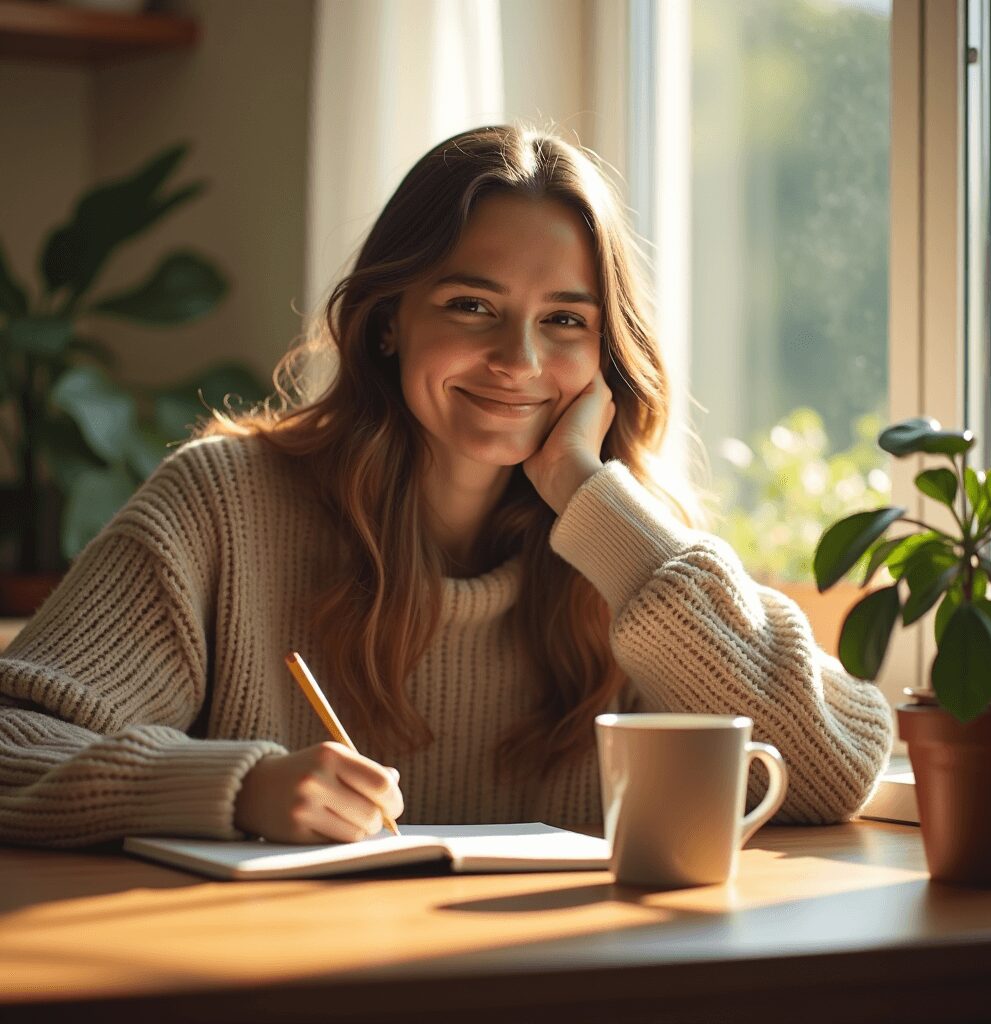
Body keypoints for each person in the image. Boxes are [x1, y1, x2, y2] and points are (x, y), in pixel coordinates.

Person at [0, 124, 892, 848]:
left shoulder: (637, 552)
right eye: (472, 305)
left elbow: (834, 769)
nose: (520, 361)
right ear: (388, 321)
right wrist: (240, 788)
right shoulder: (223, 505)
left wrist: (592, 502)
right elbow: (14, 740)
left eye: (566, 321)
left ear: (606, 354)